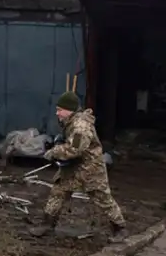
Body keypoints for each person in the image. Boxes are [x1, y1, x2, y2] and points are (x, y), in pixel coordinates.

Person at [29, 91, 127, 242]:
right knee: (58, 191)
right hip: (73, 167)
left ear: (70, 110)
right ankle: (47, 224)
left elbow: (75, 149)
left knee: (102, 198)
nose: (57, 113)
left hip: (90, 169)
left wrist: (54, 152)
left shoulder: (81, 126)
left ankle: (119, 228)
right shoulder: (71, 122)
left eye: (60, 109)